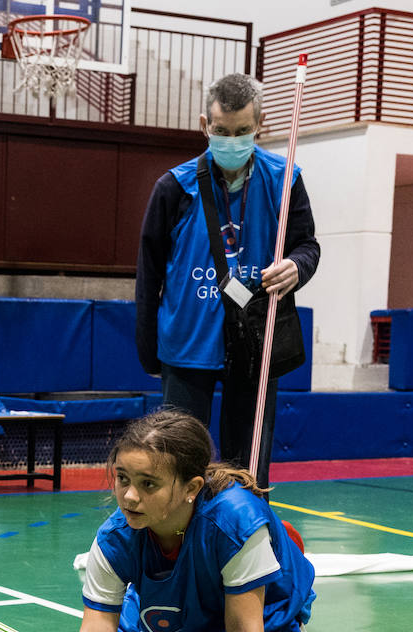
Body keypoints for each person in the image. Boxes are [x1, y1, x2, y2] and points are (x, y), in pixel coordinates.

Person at [1, 409, 315, 632]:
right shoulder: (114, 538)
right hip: (178, 614)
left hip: (262, 613)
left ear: (191, 488)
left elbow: (243, 629)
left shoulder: (234, 522)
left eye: (148, 484)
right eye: (122, 478)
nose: (129, 497)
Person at [135, 73, 320, 489]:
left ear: (261, 124)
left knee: (248, 470)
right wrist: (150, 352)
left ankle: (244, 548)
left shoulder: (285, 179)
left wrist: (296, 266)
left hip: (255, 343)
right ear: (205, 125)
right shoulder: (174, 186)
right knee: (176, 470)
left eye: (241, 131)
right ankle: (175, 550)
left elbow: (307, 246)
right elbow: (148, 274)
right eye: (220, 131)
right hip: (186, 347)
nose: (231, 140)